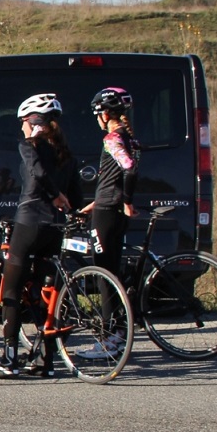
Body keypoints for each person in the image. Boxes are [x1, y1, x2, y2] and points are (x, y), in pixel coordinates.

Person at [0, 93, 80, 378]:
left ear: (34, 122)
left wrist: (53, 195)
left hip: (29, 223)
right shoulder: (67, 154)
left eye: (23, 122)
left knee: (12, 292)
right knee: (46, 294)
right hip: (54, 230)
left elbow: (37, 172)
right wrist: (70, 207)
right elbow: (76, 196)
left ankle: (8, 360)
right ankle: (44, 360)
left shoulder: (29, 146)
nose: (21, 128)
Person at [78, 86, 139, 357]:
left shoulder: (112, 138)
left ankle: (108, 339)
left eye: (96, 114)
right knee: (113, 273)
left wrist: (126, 201)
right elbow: (112, 180)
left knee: (105, 276)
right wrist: (90, 206)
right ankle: (120, 333)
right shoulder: (127, 136)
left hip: (109, 213)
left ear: (104, 114)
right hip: (105, 209)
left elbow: (128, 168)